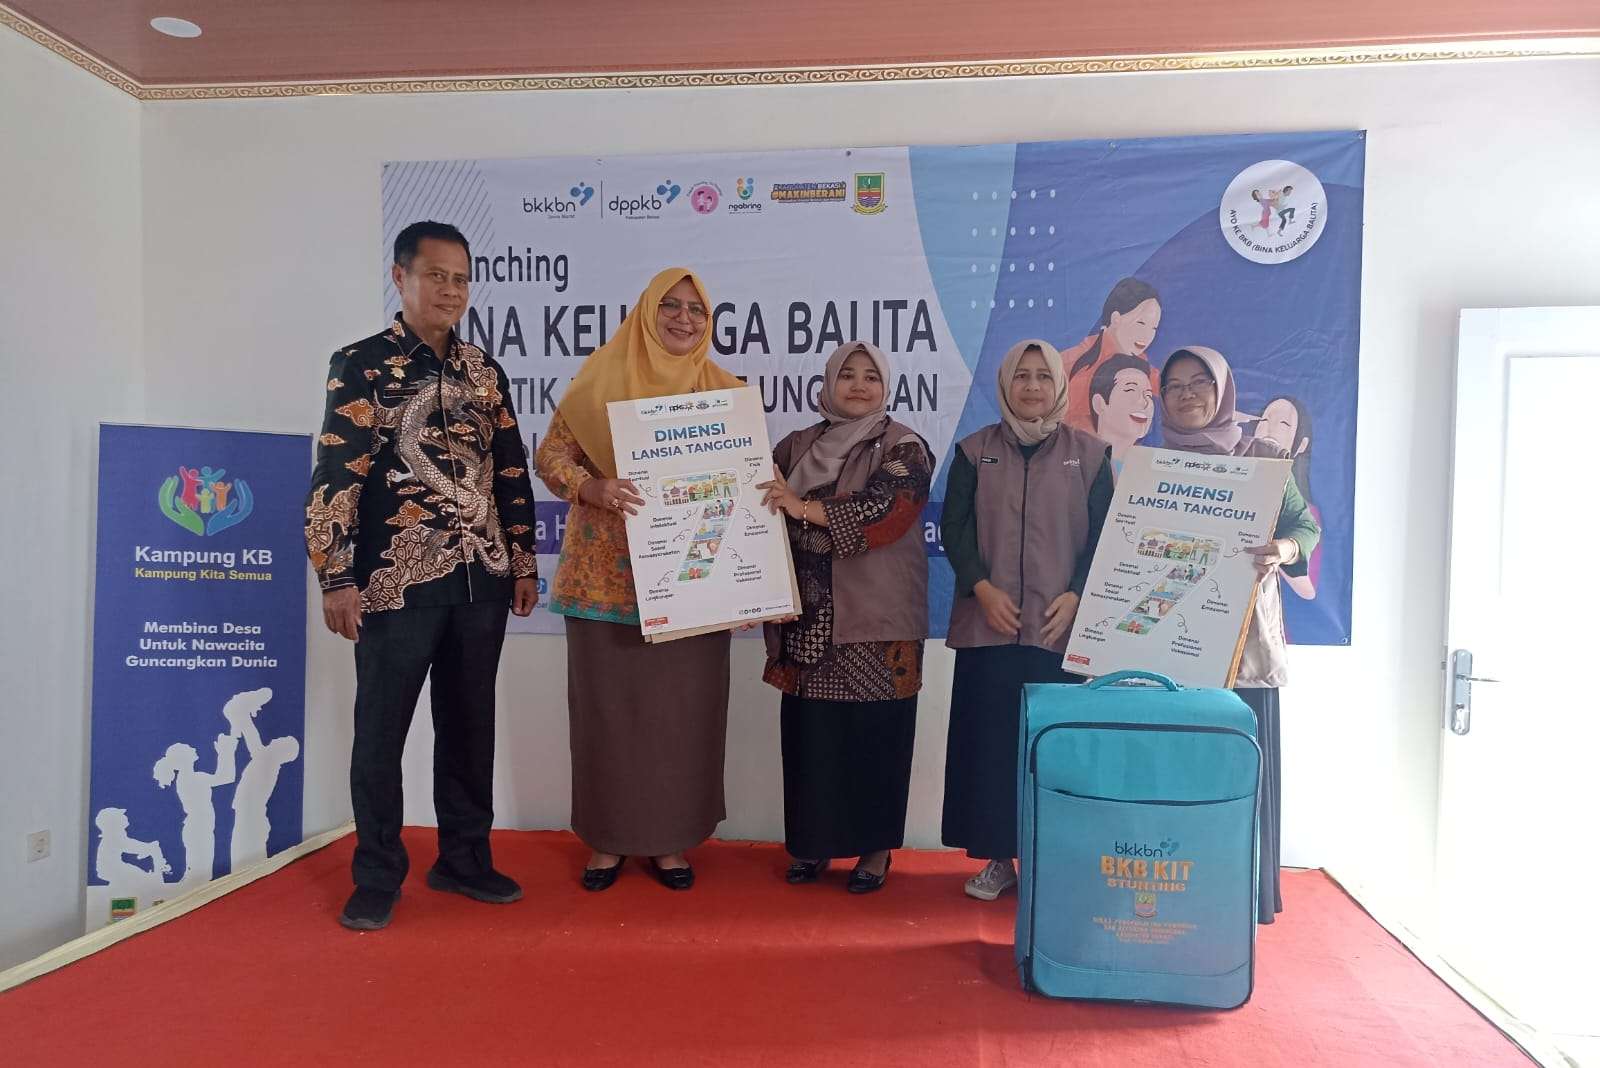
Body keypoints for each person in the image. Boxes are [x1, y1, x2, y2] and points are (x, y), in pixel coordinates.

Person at [305, 220, 540, 931]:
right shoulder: (362, 364)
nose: (450, 290)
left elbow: (510, 470)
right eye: (436, 275)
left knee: (469, 728)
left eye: (461, 278)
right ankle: (377, 875)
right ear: (400, 277)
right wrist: (335, 576)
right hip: (393, 583)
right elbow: (336, 473)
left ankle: (463, 859)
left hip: (482, 580)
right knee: (381, 733)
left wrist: (522, 562)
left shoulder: (483, 372)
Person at [535, 266, 743, 893]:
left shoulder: (724, 393)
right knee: (610, 718)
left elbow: (744, 479)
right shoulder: (600, 380)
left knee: (681, 717)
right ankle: (607, 840)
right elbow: (551, 457)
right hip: (604, 584)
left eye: (697, 309)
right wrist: (590, 487)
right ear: (646, 313)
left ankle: (670, 839)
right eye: (670, 306)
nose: (684, 318)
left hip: (693, 584)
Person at [940, 340, 1113, 900]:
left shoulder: (1091, 454)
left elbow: (1106, 536)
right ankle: (998, 860)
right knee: (991, 747)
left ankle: (1052, 865)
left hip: (1059, 629)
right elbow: (954, 529)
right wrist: (981, 587)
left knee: (1055, 749)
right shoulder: (974, 451)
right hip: (989, 627)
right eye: (1022, 376)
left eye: (1043, 376)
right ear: (1005, 384)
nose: (1032, 386)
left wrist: (1079, 595)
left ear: (1059, 384)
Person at [757, 341, 931, 894]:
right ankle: (813, 844)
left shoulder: (904, 445)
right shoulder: (795, 446)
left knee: (877, 738)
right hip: (805, 622)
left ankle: (875, 850)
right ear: (828, 384)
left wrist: (803, 506)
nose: (858, 385)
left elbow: (886, 512)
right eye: (847, 375)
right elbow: (752, 510)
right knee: (813, 740)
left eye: (870, 377)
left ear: (886, 387)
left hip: (878, 623)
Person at [1158, 346, 1321, 924]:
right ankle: (1178, 885)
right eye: (1174, 386)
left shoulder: (1264, 457)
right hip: (1174, 647)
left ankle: (1244, 895)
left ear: (1223, 390)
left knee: (1243, 771)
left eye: (1200, 383)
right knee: (1180, 771)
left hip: (1245, 646)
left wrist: (1284, 548)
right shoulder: (1152, 468)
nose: (1187, 395)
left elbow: (1304, 526)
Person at [1061, 277, 1162, 433]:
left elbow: (1163, 385)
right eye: (1140, 323)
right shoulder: (1075, 362)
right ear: (1115, 319)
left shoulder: (1138, 359)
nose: (1146, 335)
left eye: (1153, 328)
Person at [1254, 395, 1321, 602]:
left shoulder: (1303, 511)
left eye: (1283, 423)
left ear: (1301, 444)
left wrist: (1283, 550)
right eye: (1264, 421)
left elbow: (1308, 591)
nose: (1269, 429)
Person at [1086, 351, 1157, 475]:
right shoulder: (1078, 464)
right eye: (1131, 390)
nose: (1145, 402)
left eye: (1148, 395)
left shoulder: (1150, 471)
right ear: (1099, 404)